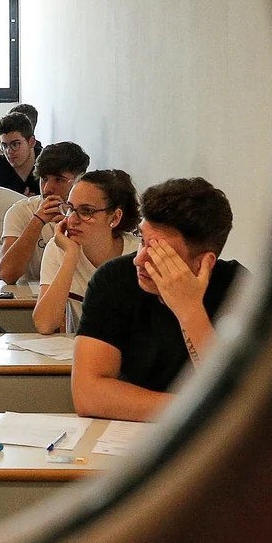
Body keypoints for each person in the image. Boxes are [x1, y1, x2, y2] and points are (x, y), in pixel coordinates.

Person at [71, 178, 244, 420]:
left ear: (204, 263)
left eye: (159, 252)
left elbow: (238, 399)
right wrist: (197, 408)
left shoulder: (241, 291)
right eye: (142, 240)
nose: (139, 259)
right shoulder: (114, 280)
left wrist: (190, 310)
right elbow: (88, 394)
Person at [33, 170, 141, 335]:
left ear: (114, 218)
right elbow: (45, 323)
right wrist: (71, 255)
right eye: (70, 209)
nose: (72, 220)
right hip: (83, 353)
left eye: (86, 211)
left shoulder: (138, 253)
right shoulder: (59, 248)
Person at [0, 141, 90, 285]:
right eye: (44, 179)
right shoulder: (20, 211)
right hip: (31, 299)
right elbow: (8, 274)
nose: (47, 188)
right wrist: (37, 221)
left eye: (59, 180)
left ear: (80, 180)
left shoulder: (92, 215)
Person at [0, 112, 42, 196]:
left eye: (15, 144)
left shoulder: (48, 165)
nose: (9, 151)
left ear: (31, 142)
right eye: (4, 146)